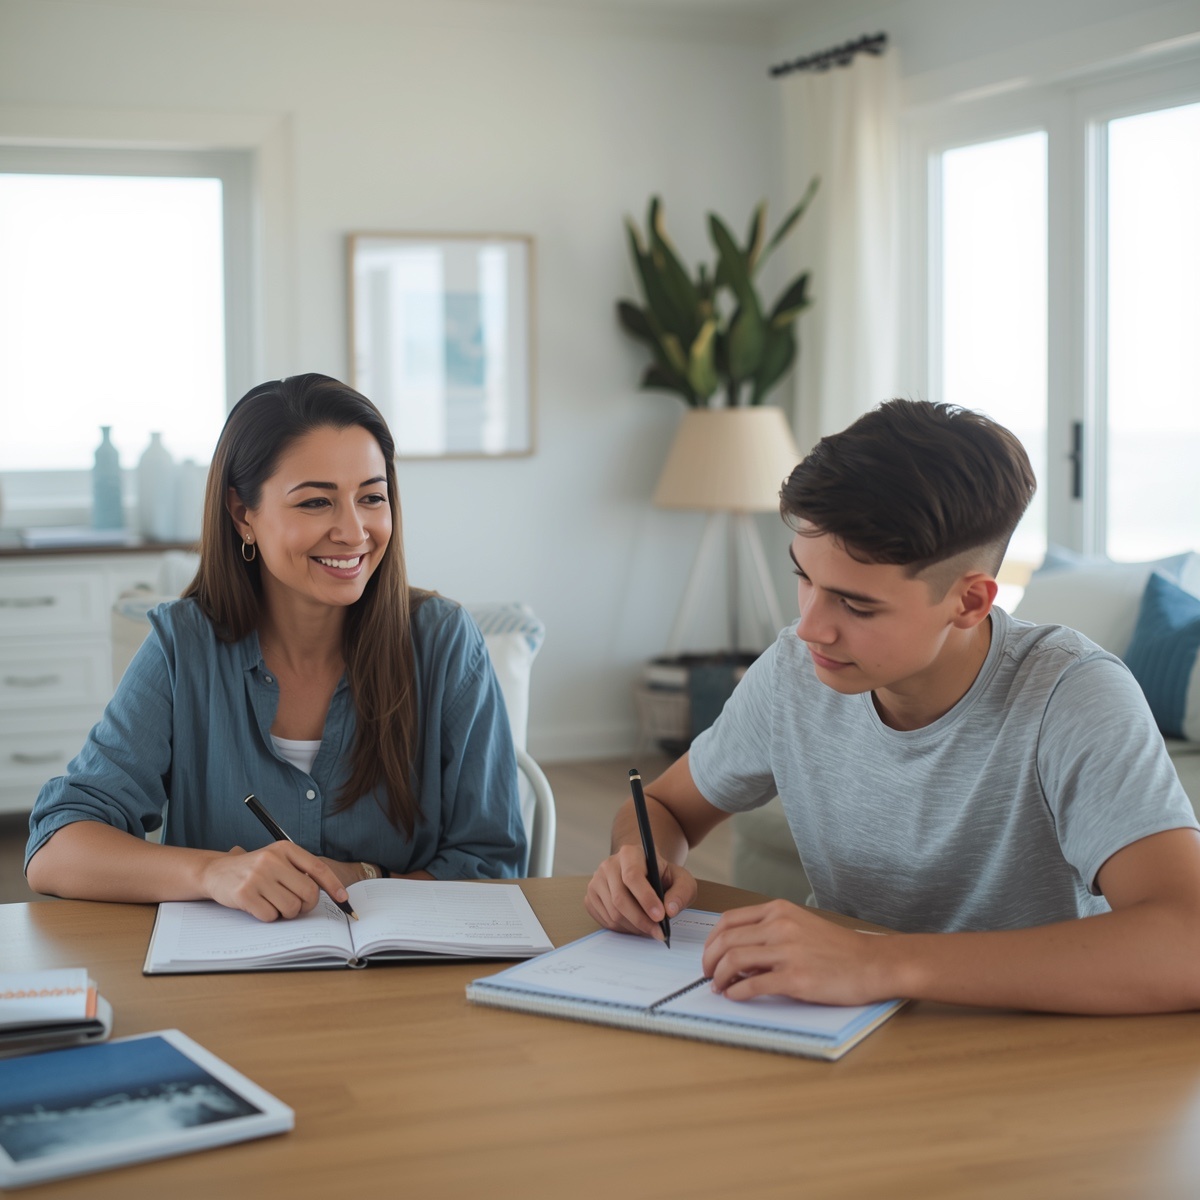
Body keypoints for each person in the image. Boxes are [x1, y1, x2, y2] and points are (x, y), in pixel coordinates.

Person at [587, 399, 1200, 1014]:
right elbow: (663, 805)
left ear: (969, 602)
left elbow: (1187, 941)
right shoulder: (793, 672)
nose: (810, 628)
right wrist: (640, 864)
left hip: (1030, 1060)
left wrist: (878, 962)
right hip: (841, 1034)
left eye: (856, 606)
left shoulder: (1072, 694)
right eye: (805, 578)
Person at [26, 374, 526, 920]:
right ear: (244, 514)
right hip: (230, 990)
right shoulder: (183, 646)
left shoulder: (444, 641)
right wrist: (211, 872)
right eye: (315, 502)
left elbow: (492, 867)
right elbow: (56, 848)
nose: (354, 531)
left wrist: (366, 877)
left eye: (372, 497)